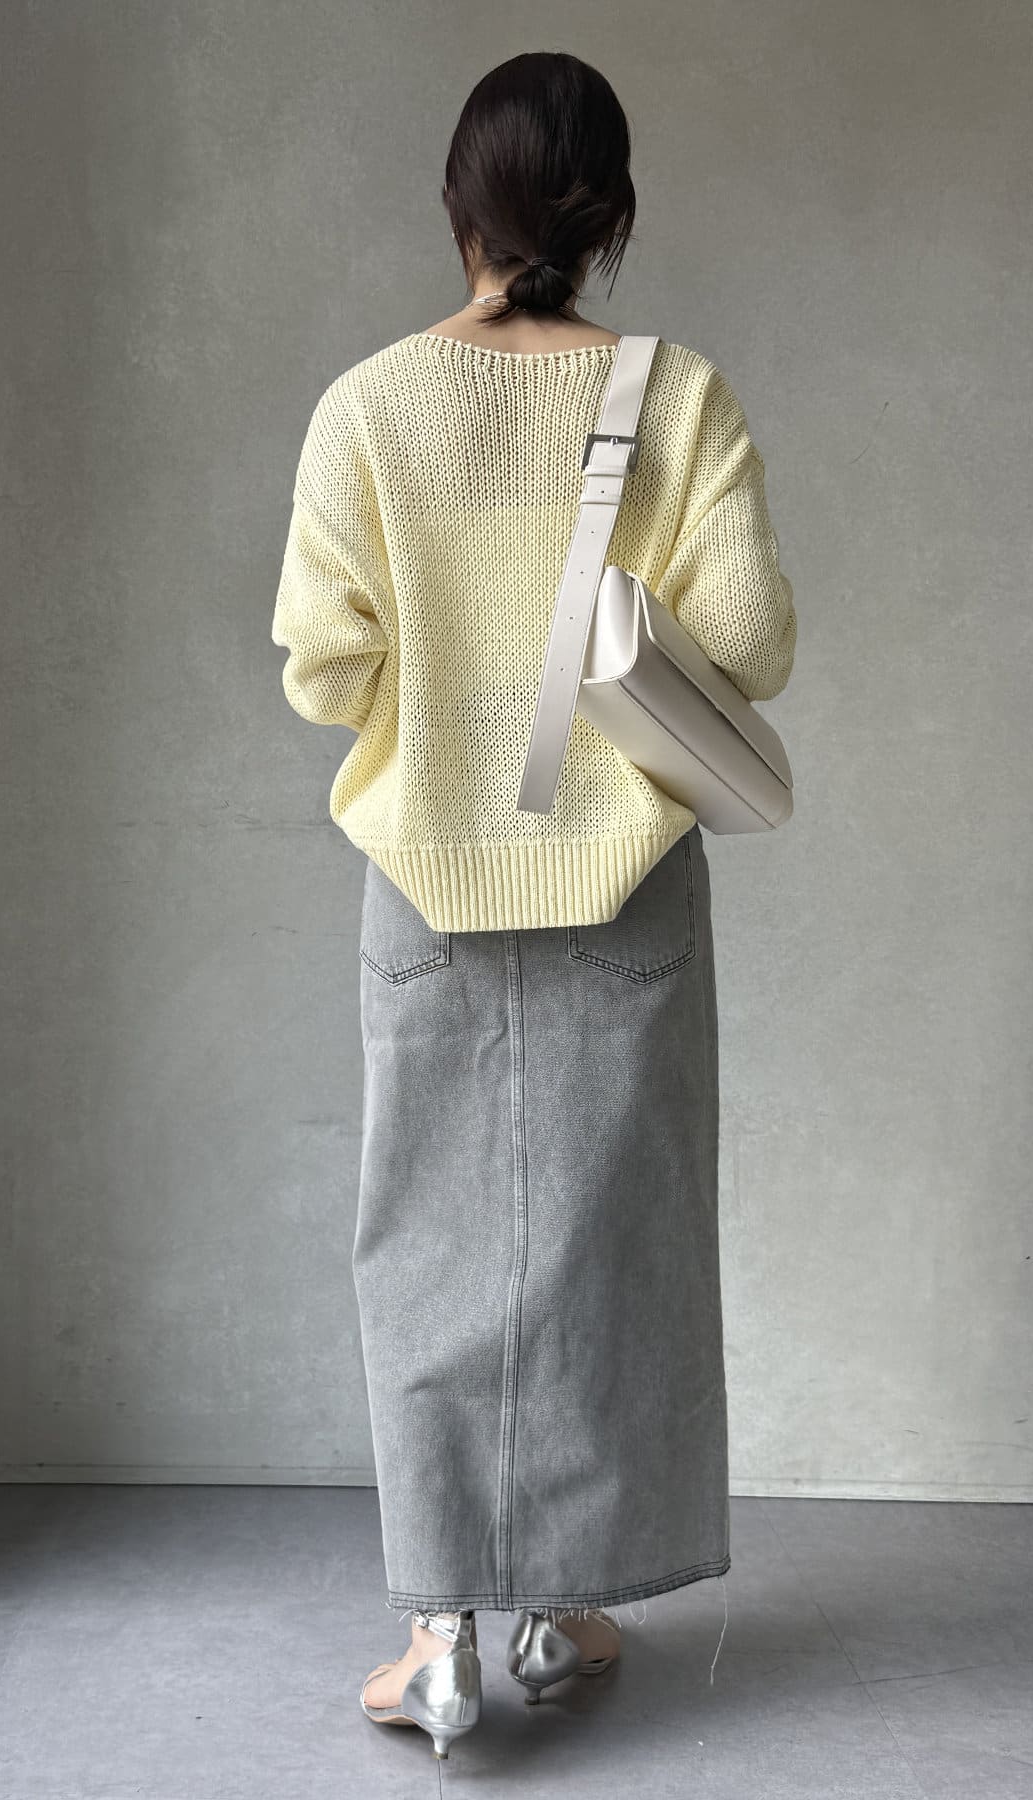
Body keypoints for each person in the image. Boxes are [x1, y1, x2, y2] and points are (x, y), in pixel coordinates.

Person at [269, 49, 797, 1761]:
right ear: (612, 211)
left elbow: (322, 666)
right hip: (626, 888)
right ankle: (564, 1611)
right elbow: (752, 641)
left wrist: (444, 689)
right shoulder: (681, 397)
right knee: (607, 1248)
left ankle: (436, 1635)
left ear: (460, 205)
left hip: (427, 886)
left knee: (421, 1247)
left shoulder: (368, 407)